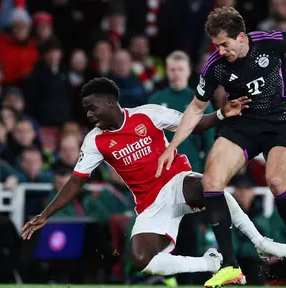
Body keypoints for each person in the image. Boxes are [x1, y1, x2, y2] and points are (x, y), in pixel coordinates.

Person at [22, 77, 286, 280]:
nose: (89, 116)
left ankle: (260, 243)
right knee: (140, 261)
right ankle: (211, 263)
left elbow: (189, 125)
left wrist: (219, 114)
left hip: (176, 182)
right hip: (150, 204)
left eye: (92, 108)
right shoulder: (95, 141)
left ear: (111, 102)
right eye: (86, 111)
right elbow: (76, 181)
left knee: (209, 186)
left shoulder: (146, 114)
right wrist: (46, 214)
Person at [157, 6, 286, 287]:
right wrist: (172, 146)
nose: (221, 51)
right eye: (216, 45)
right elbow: (194, 109)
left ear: (242, 37)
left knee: (277, 182)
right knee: (211, 182)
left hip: (279, 123)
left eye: (225, 44)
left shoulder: (272, 41)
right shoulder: (215, 65)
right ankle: (230, 266)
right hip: (241, 123)